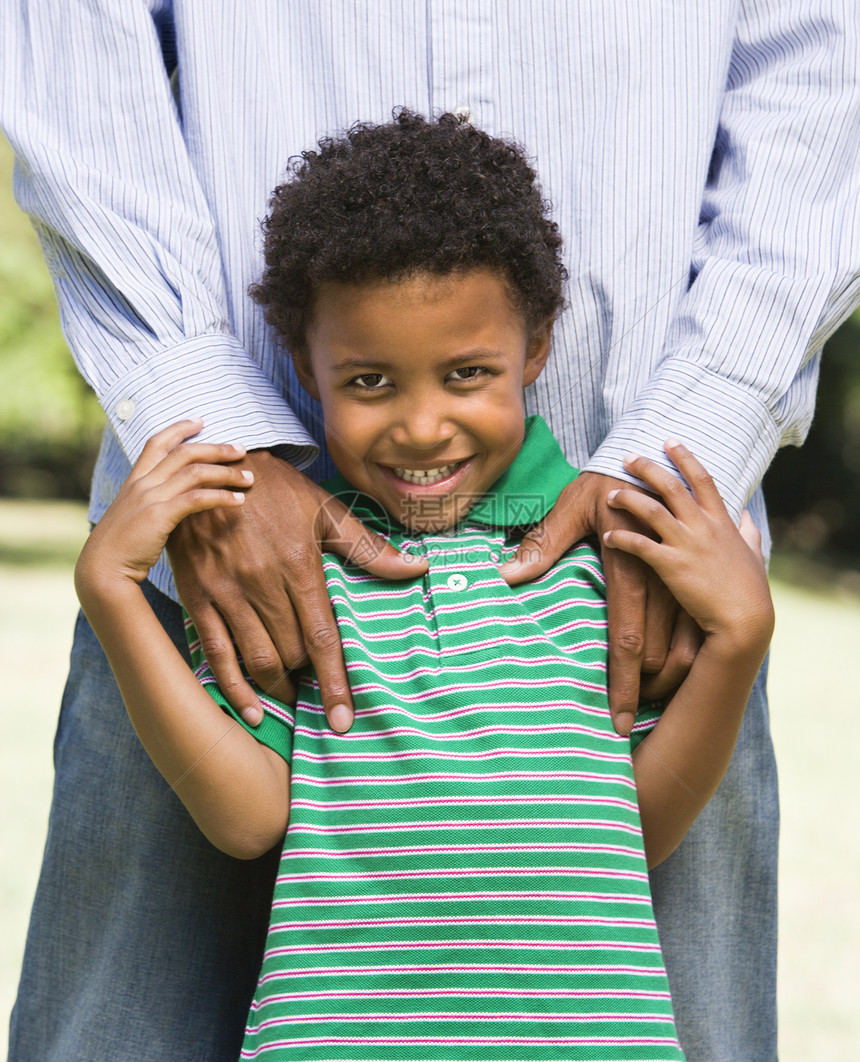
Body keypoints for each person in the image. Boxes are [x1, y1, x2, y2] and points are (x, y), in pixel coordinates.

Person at [3, 4, 859, 1060]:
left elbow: (820, 80)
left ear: (534, 345)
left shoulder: (586, 587)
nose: (419, 424)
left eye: (464, 375)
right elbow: (78, 65)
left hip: (660, 561)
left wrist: (688, 480)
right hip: (228, 564)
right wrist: (210, 453)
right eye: (372, 380)